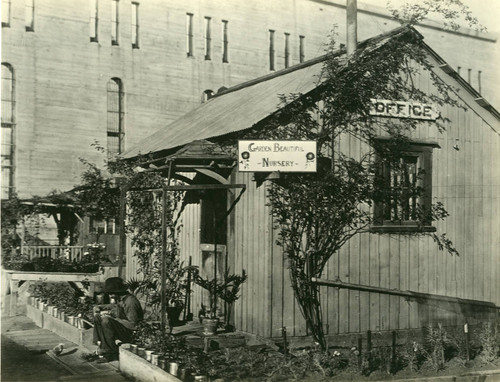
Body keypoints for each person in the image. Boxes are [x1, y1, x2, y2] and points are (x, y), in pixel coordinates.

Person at [86, 277, 143, 362]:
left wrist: (114, 319)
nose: (110, 296)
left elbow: (133, 325)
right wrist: (100, 307)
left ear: (117, 292)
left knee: (106, 321)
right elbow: (114, 306)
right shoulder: (121, 299)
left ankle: (110, 353)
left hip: (131, 334)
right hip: (123, 329)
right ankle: (101, 348)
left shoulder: (130, 302)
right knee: (98, 317)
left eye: (111, 293)